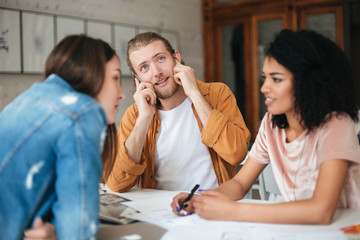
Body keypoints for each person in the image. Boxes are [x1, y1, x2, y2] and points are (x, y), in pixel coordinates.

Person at [171, 29, 360, 224]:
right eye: (265, 77)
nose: (264, 88)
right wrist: (201, 200)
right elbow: (239, 183)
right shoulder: (271, 124)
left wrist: (234, 211)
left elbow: (321, 211)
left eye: (276, 79)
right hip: (301, 230)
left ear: (309, 83)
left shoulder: (336, 124)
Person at [0, 34, 125, 239]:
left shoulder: (25, 100)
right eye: (115, 78)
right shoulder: (82, 113)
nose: (121, 93)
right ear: (91, 73)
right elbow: (78, 230)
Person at [104, 32, 251, 193]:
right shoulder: (135, 115)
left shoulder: (217, 94)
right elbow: (116, 183)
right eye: (144, 67)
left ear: (176, 58)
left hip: (212, 207)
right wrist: (144, 118)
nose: (156, 72)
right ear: (137, 78)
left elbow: (237, 154)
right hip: (159, 213)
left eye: (160, 58)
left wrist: (195, 93)